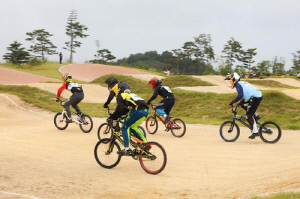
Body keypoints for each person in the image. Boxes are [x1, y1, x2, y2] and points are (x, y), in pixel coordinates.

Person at [107, 88, 149, 156]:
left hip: (137, 111)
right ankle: (145, 143)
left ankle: (127, 149)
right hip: (145, 112)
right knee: (133, 127)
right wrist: (122, 116)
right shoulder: (132, 96)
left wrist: (112, 117)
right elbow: (126, 110)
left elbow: (120, 108)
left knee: (124, 127)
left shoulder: (120, 96)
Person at [225, 72, 263, 139]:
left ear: (234, 80)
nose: (230, 82)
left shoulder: (238, 85)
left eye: (231, 80)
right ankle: (255, 116)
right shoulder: (241, 83)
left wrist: (232, 102)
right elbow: (246, 95)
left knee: (248, 116)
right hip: (255, 96)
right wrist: (240, 102)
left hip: (255, 97)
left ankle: (256, 132)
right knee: (242, 104)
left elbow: (240, 95)